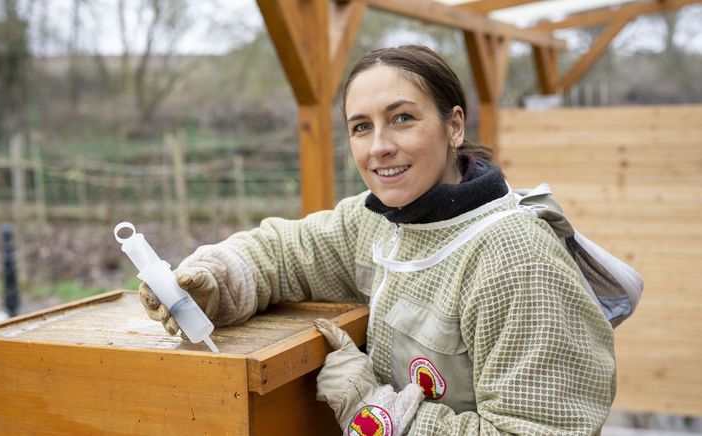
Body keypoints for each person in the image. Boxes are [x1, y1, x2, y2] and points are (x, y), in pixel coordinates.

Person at [140, 45, 616, 435]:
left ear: (454, 126)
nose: (378, 146)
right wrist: (214, 282)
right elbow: (286, 253)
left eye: (403, 118)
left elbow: (537, 430)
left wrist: (376, 411)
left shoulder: (516, 258)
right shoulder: (380, 221)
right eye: (361, 127)